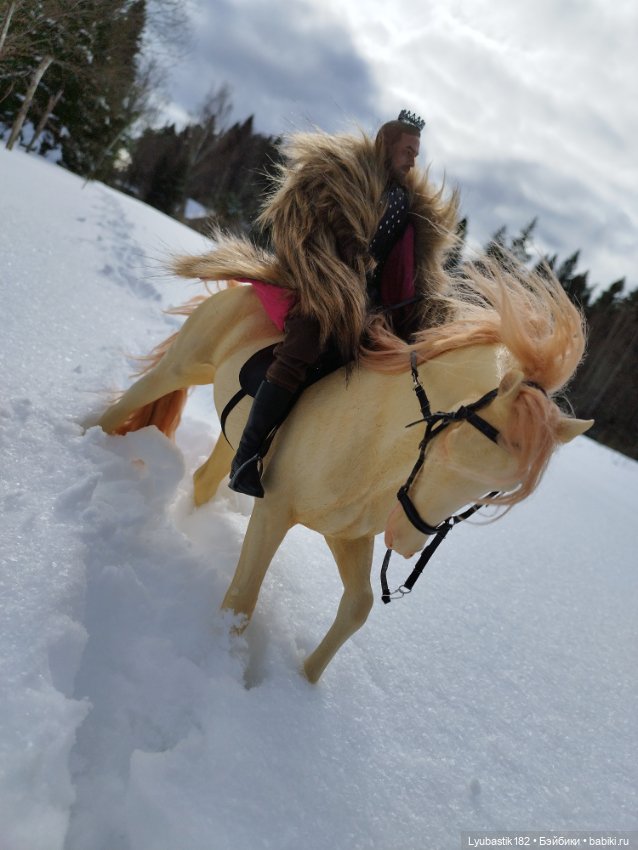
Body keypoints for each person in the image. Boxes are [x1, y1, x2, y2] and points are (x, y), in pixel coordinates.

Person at [172, 110, 459, 497]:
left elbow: (404, 265)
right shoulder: (345, 176)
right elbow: (318, 216)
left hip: (370, 300)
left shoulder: (405, 204)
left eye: (416, 153)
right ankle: (246, 457)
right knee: (303, 345)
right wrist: (345, 258)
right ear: (386, 145)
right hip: (324, 281)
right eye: (407, 150)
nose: (412, 160)